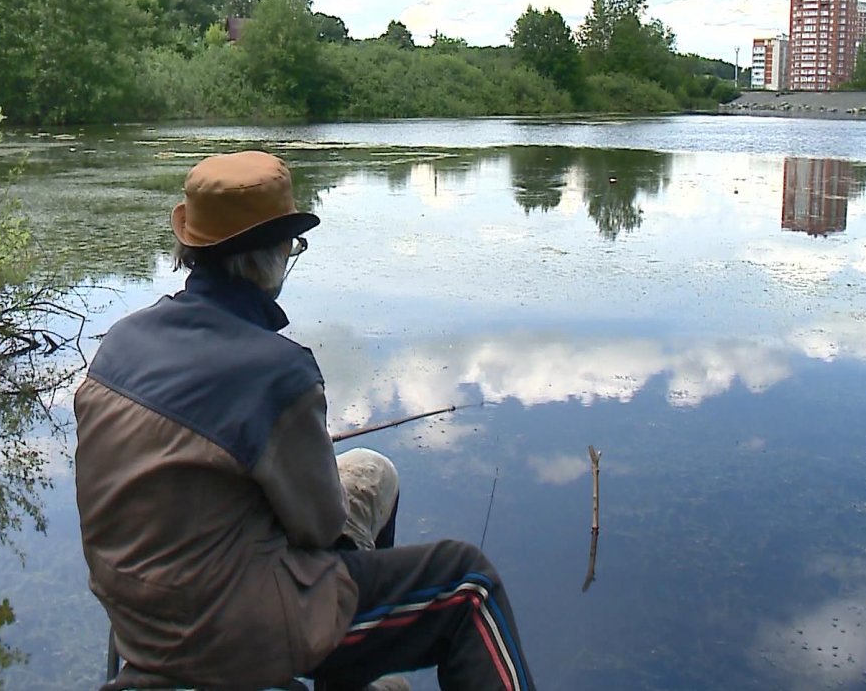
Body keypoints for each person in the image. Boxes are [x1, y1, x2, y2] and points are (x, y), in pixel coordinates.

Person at [75, 151, 534, 691]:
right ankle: (344, 662)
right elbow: (318, 525)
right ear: (271, 256)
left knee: (371, 468)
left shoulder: (121, 341)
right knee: (468, 584)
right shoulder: (278, 372)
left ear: (192, 249)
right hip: (231, 631)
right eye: (291, 247)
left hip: (141, 616)